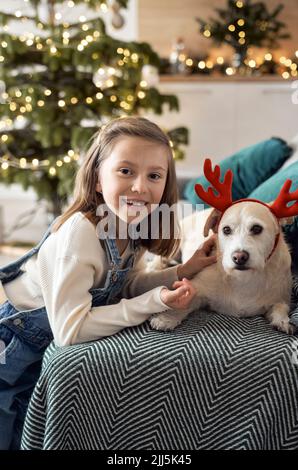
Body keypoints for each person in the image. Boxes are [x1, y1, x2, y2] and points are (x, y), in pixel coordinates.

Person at [0, 117, 216, 449]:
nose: (140, 187)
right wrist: (154, 302)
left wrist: (182, 271)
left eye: (154, 176)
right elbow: (70, 332)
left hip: (40, 346)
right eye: (126, 171)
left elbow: (125, 286)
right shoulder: (81, 233)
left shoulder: (130, 226)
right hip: (13, 343)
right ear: (98, 179)